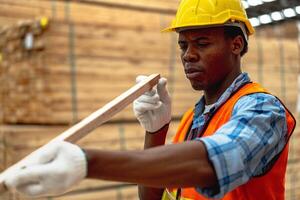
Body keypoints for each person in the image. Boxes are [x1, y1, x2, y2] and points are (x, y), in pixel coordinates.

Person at [4, 0, 296, 199]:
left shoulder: (261, 108)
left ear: (237, 44)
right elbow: (152, 195)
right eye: (183, 45)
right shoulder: (195, 120)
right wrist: (155, 132)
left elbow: (215, 161)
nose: (188, 55)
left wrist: (86, 162)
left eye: (202, 43)